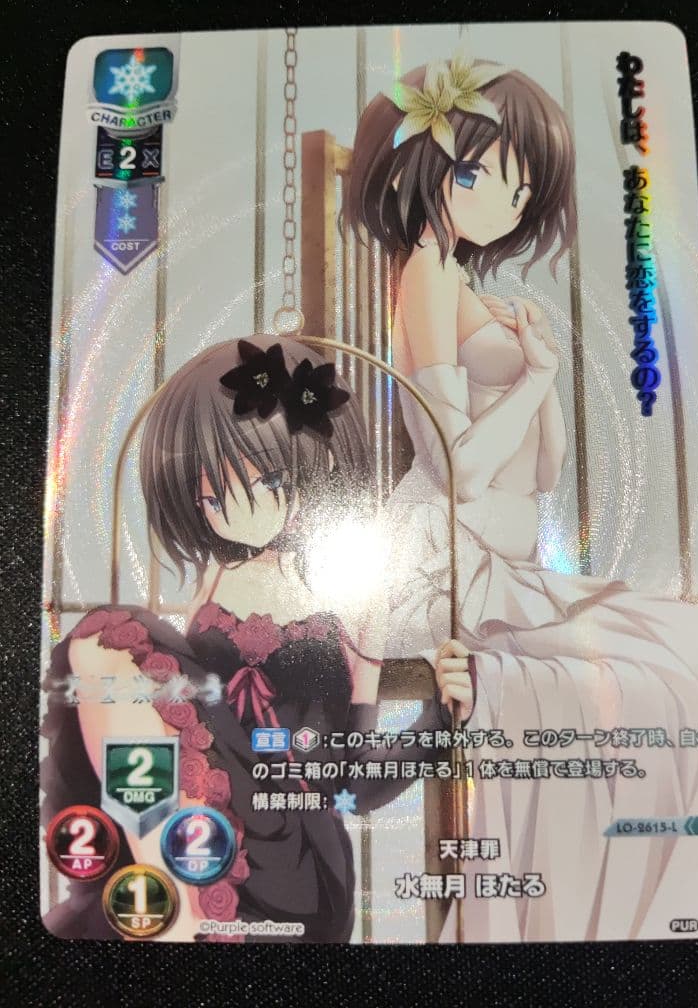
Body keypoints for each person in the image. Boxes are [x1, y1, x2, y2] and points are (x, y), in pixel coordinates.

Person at [346, 54, 698, 941]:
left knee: (692, 663)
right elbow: (455, 469)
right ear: (436, 168)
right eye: (495, 180)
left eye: (527, 193)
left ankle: (636, 906)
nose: (515, 207)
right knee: (674, 678)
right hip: (448, 569)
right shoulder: (424, 275)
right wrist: (535, 380)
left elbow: (547, 470)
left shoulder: (464, 283)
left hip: (505, 562)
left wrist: (542, 374)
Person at [41, 335, 473, 942]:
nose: (233, 514)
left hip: (296, 862)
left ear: (313, 466)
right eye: (212, 496)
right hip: (200, 829)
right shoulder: (216, 577)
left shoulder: (354, 599)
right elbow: (175, 719)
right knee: (108, 636)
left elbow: (350, 778)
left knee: (112, 633)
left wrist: (437, 723)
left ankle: (168, 896)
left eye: (263, 482)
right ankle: (146, 881)